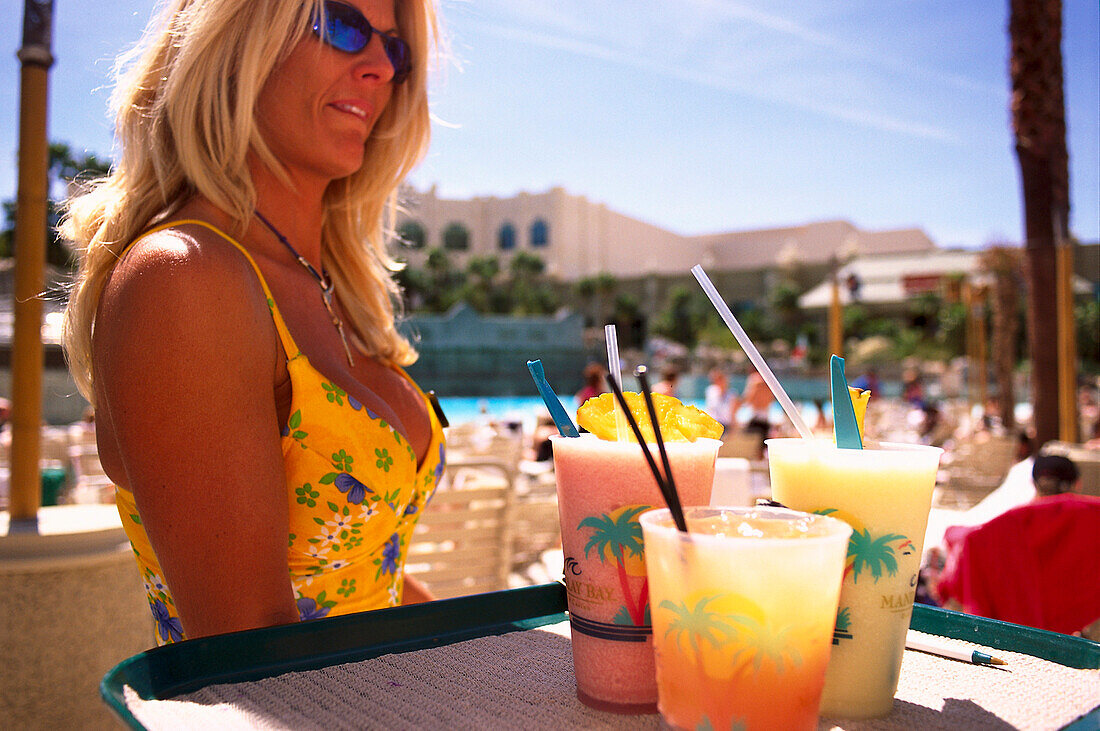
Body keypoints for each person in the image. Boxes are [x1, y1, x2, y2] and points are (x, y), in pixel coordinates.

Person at [60, 0, 444, 645]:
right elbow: (250, 652)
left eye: (395, 49)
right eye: (345, 27)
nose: (381, 65)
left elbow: (370, 573)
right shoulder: (187, 278)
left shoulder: (332, 290)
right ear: (239, 38)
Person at [931, 454, 1100, 635]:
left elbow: (960, 585)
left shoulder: (1001, 528)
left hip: (1013, 640)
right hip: (1080, 641)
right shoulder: (1093, 519)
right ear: (1077, 484)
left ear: (1034, 484)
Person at [734, 371, 773, 459]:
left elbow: (748, 399)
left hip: (755, 420)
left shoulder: (755, 381)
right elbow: (770, 400)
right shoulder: (769, 382)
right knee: (762, 450)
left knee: (751, 449)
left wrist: (736, 404)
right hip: (765, 420)